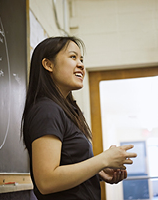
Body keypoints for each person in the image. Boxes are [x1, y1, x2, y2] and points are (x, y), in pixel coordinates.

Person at [21, 36, 137, 200]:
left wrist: (98, 172)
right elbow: (46, 181)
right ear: (48, 65)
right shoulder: (46, 110)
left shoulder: (64, 109)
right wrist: (103, 160)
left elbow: (66, 166)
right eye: (73, 57)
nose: (81, 65)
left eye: (81, 59)